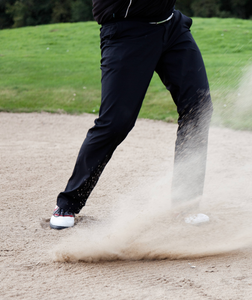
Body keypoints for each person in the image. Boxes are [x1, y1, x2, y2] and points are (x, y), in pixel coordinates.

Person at [49, 0, 213, 229]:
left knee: (199, 109)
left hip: (171, 26)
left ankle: (186, 203)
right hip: (127, 31)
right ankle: (69, 203)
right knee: (116, 122)